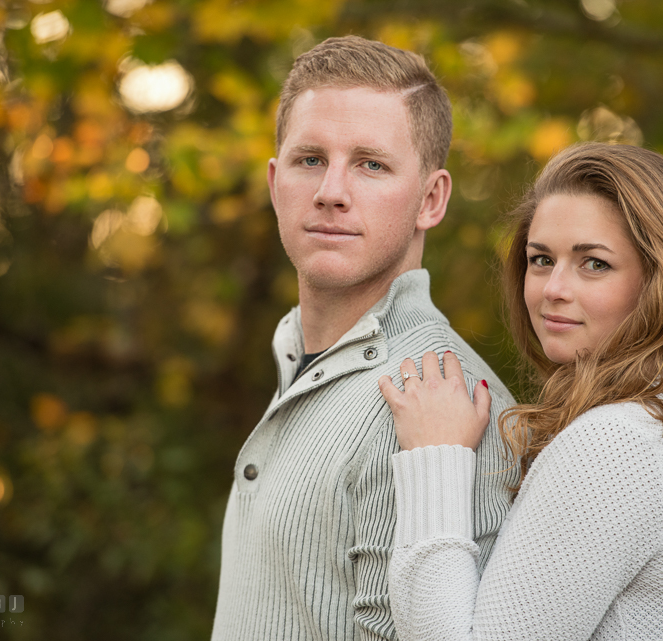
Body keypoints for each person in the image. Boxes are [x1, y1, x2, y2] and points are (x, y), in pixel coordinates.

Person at [379, 142, 663, 640]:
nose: (553, 288)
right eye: (540, 259)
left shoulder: (621, 443)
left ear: (660, 282)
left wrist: (436, 457)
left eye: (593, 263)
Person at [210, 36, 519, 641]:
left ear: (431, 199)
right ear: (275, 183)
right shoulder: (298, 359)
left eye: (371, 165)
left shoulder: (449, 402)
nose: (331, 190)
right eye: (309, 160)